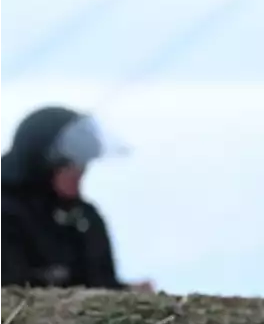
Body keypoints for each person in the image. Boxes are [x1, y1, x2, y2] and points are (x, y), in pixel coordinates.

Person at [0, 105, 152, 292]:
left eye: (82, 164)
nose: (79, 172)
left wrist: (127, 293)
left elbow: (99, 285)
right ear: (43, 163)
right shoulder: (7, 213)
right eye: (69, 165)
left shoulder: (84, 218)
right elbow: (13, 288)